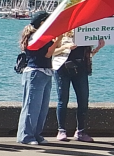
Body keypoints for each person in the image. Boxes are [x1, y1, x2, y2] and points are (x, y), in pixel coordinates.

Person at [16, 12, 62, 145]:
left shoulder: (43, 36)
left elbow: (53, 49)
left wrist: (58, 40)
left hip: (46, 72)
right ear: (42, 22)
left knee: (42, 107)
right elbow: (47, 54)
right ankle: (26, 135)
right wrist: (58, 39)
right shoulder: (35, 37)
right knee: (32, 106)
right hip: (35, 73)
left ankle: (37, 134)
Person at [53, 34, 104, 143]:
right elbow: (52, 52)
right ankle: (61, 130)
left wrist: (98, 48)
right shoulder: (62, 33)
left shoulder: (85, 34)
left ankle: (80, 131)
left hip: (81, 70)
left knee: (83, 100)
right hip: (62, 69)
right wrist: (66, 47)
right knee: (63, 99)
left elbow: (88, 55)